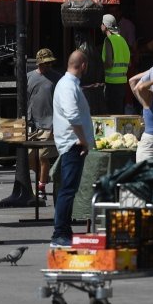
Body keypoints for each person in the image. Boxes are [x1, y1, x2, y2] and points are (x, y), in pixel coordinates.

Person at [51, 50, 95, 248]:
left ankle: (64, 231)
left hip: (73, 143)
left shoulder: (68, 84)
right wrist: (83, 140)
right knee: (67, 190)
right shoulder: (68, 86)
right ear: (83, 65)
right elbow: (73, 115)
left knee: (69, 189)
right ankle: (59, 233)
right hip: (73, 144)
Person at [27, 48, 62, 200]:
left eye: (50, 63)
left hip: (50, 123)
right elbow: (26, 98)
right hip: (33, 123)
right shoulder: (29, 77)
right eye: (45, 63)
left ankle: (41, 186)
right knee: (30, 157)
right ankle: (45, 177)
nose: (48, 66)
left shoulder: (57, 78)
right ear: (39, 63)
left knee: (43, 156)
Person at [100, 13, 131, 115]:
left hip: (111, 83)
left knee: (111, 113)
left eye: (101, 23)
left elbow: (109, 63)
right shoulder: (122, 40)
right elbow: (129, 62)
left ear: (105, 26)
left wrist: (99, 67)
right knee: (119, 112)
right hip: (122, 82)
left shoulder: (108, 40)